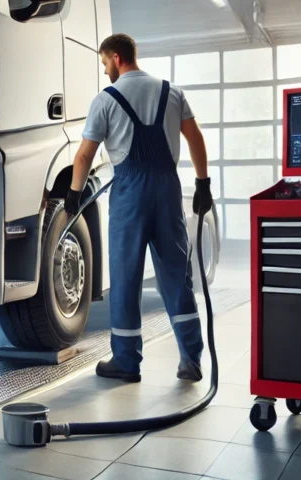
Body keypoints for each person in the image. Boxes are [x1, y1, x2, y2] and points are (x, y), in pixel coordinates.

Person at [65, 33, 213, 383]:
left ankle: (127, 362)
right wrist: (203, 185)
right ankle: (191, 360)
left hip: (130, 195)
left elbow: (85, 155)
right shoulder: (171, 91)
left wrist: (73, 195)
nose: (105, 72)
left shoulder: (106, 100)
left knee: (126, 277)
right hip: (166, 191)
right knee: (178, 275)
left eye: (104, 63)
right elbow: (195, 138)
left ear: (117, 58)